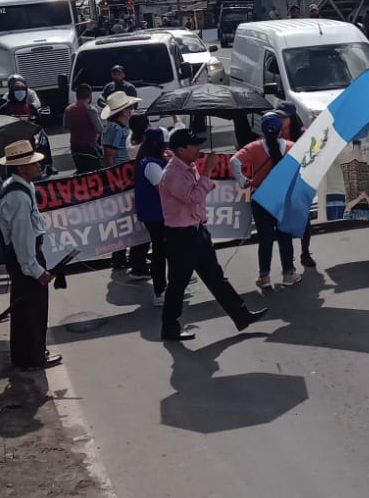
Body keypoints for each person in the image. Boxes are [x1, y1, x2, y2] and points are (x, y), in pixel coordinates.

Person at [159, 129, 267, 340]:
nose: (199, 148)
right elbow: (193, 197)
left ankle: (241, 315)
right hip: (180, 237)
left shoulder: (188, 167)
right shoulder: (172, 174)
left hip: (198, 231)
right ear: (181, 149)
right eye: (194, 145)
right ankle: (169, 327)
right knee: (178, 283)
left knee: (216, 277)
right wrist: (207, 169)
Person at [0, 140, 59, 369]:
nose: (38, 166)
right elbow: (22, 238)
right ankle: (33, 357)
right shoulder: (18, 197)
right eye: (33, 164)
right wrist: (35, 269)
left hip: (27, 255)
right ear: (21, 168)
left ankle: (26, 355)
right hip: (24, 258)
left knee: (26, 309)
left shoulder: (23, 186)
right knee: (32, 310)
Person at [233, 113, 302, 288]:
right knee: (284, 236)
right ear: (280, 130)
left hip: (260, 198)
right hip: (283, 198)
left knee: (265, 239)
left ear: (262, 130)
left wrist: (242, 181)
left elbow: (234, 161)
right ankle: (288, 274)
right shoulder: (291, 147)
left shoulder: (254, 147)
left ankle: (264, 277)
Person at [127, 128, 171, 308]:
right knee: (161, 253)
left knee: (163, 251)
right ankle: (160, 291)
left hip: (155, 214)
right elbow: (164, 189)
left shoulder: (149, 160)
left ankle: (164, 287)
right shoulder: (152, 164)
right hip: (156, 215)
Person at [275, 100, 317, 267]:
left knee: (304, 219)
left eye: (283, 117)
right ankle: (288, 258)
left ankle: (305, 253)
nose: (279, 119)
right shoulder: (273, 134)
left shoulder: (302, 134)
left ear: (291, 118)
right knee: (283, 222)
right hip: (281, 183)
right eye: (277, 115)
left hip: (300, 182)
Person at [101, 92, 139, 272]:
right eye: (129, 107)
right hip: (119, 179)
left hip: (127, 177)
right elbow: (109, 155)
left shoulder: (123, 126)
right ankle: (118, 258)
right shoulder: (114, 129)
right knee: (121, 220)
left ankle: (125, 256)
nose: (131, 110)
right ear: (122, 110)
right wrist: (112, 178)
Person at [65, 83, 104, 172]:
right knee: (95, 171)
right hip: (89, 147)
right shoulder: (90, 109)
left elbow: (66, 126)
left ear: (77, 96)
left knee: (82, 171)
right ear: (90, 96)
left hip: (74, 146)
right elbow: (100, 130)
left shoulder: (68, 109)